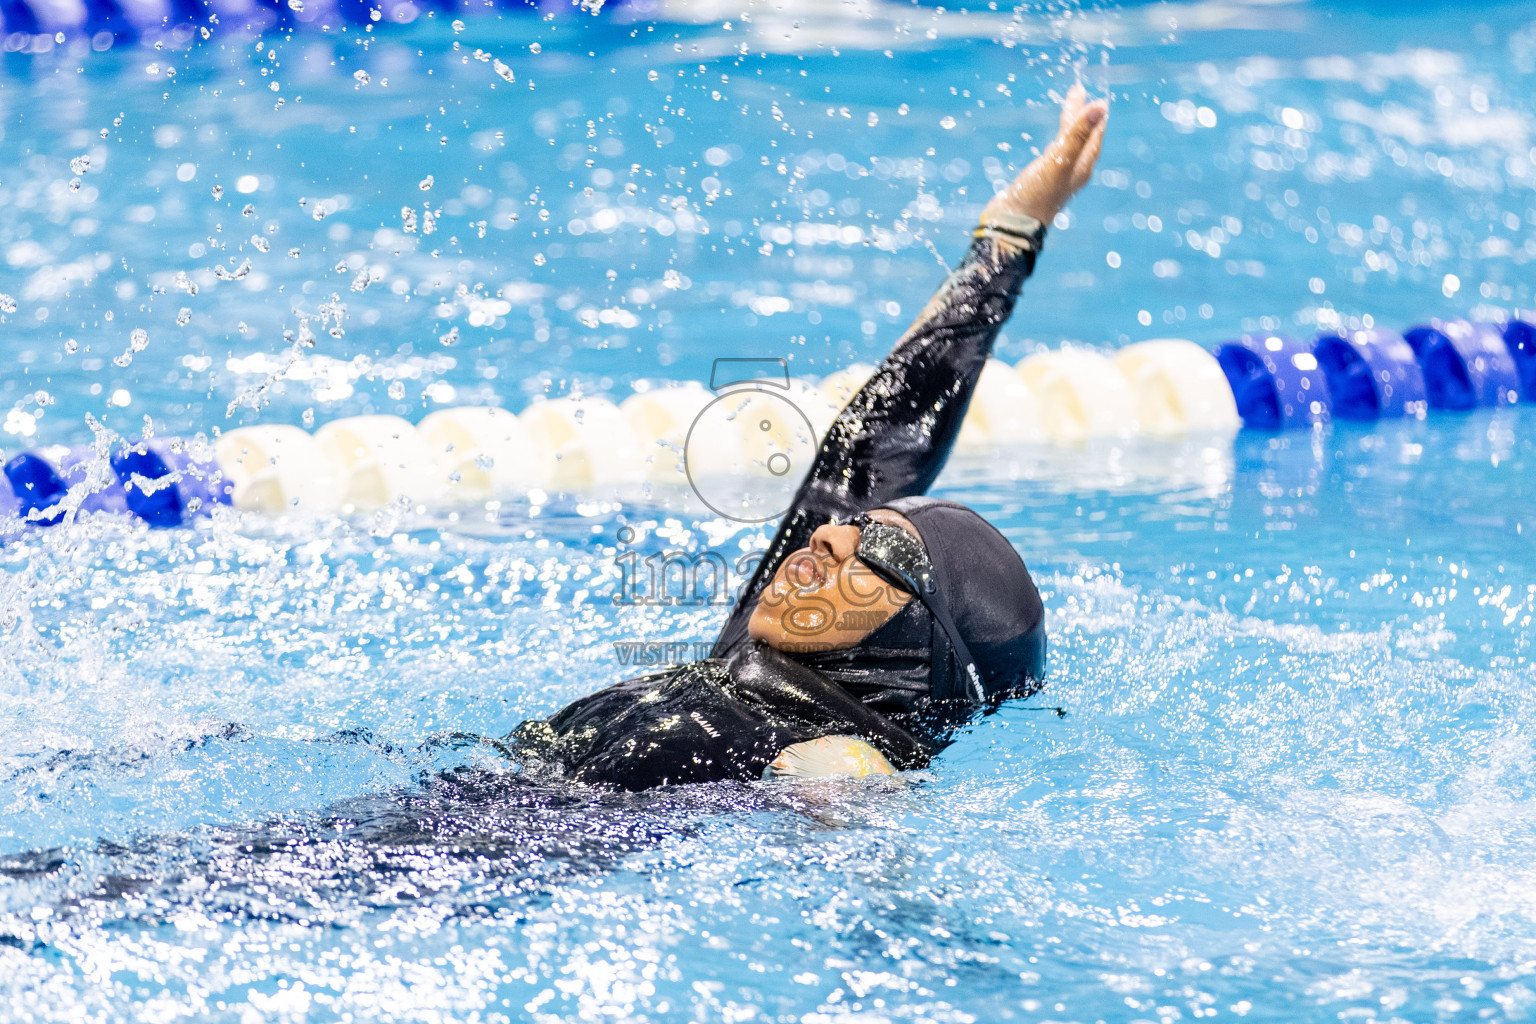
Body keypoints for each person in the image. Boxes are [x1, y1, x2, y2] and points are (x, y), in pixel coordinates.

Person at [512, 86, 1109, 790]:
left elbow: (849, 811)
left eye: (876, 550)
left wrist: (852, 803)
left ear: (919, 643)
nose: (825, 539)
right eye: (847, 528)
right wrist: (1010, 234)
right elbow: (875, 444)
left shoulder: (830, 752)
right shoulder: (756, 662)